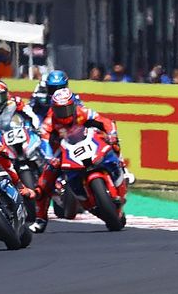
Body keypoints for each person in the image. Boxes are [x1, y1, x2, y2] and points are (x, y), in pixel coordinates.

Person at [31, 89, 130, 232]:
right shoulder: (49, 121)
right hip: (64, 150)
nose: (64, 113)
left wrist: (112, 134)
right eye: (60, 110)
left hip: (88, 140)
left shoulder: (82, 111)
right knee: (45, 181)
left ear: (73, 105)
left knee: (112, 143)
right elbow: (44, 141)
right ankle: (40, 219)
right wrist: (49, 157)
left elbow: (105, 121)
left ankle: (121, 168)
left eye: (67, 109)